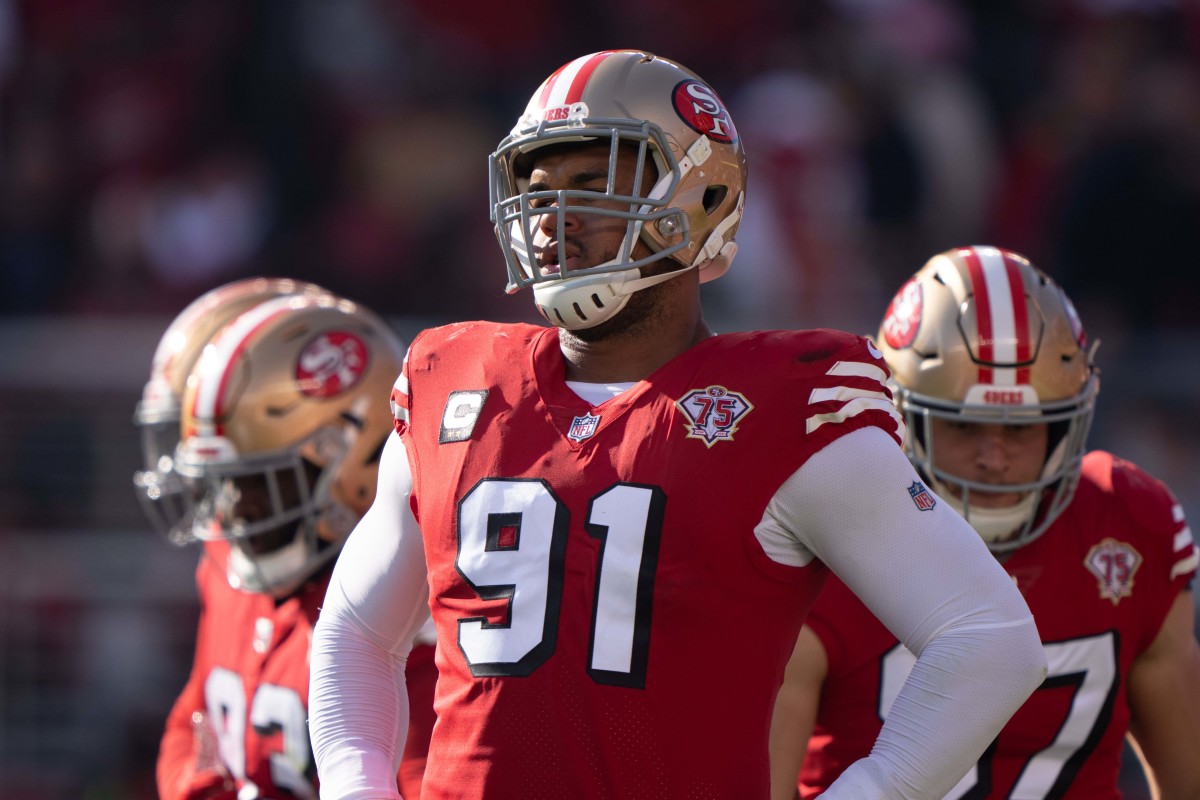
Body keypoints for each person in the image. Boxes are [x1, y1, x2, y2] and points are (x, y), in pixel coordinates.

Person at [308, 50, 1047, 800]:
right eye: (535, 186)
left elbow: (989, 641)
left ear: (703, 195)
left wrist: (876, 790)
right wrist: (355, 788)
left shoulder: (787, 406)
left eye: (592, 185)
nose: (551, 217)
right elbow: (357, 631)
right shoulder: (454, 382)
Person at [769, 245, 1200, 800]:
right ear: (901, 420)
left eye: (1019, 429)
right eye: (965, 427)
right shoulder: (826, 547)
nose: (993, 459)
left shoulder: (1127, 522)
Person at [142, 289, 435, 800]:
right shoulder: (227, 567)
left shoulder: (406, 617)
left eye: (258, 482)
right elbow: (195, 721)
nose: (232, 508)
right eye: (222, 482)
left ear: (352, 468)